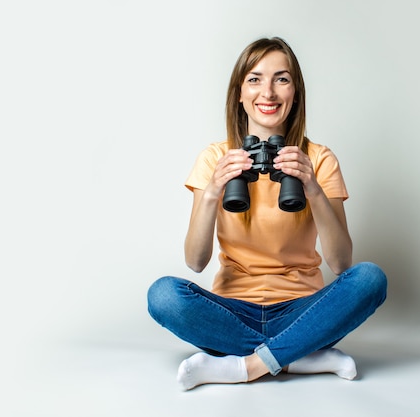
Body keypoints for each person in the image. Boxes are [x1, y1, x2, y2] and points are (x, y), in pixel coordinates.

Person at [146, 37, 387, 391]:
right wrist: (214, 189)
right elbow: (195, 262)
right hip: (231, 312)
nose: (268, 93)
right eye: (255, 79)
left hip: (303, 310)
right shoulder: (215, 157)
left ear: (295, 92)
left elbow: (342, 264)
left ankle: (243, 366)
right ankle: (299, 356)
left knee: (371, 278)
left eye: (282, 79)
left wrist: (312, 188)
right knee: (162, 294)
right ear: (239, 93)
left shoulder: (319, 159)